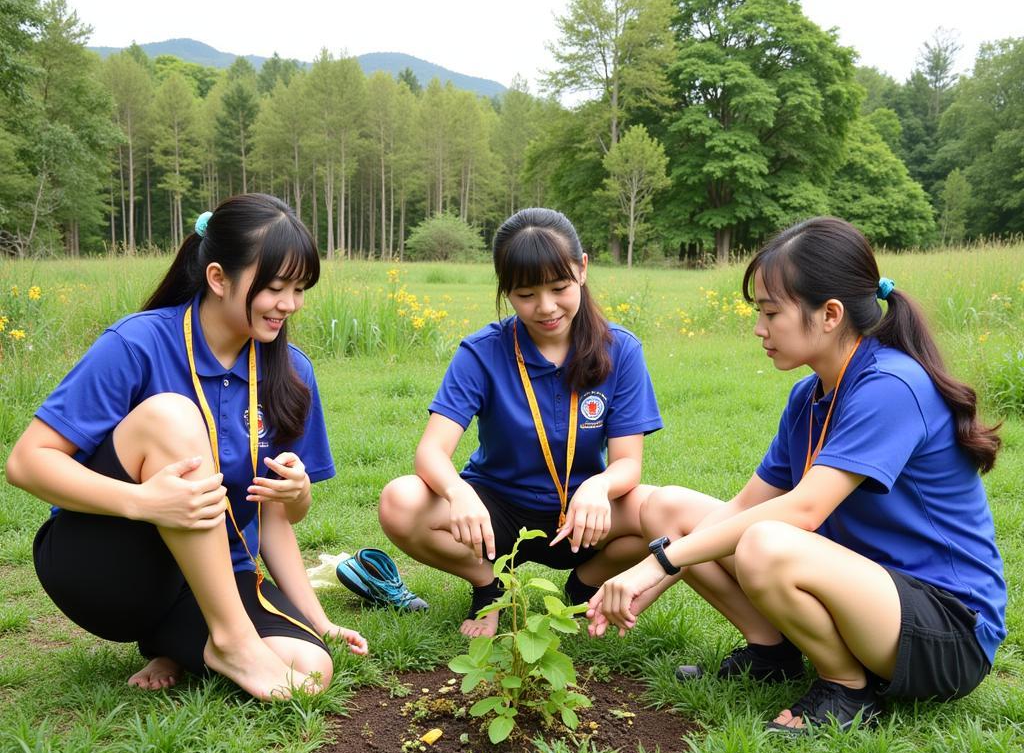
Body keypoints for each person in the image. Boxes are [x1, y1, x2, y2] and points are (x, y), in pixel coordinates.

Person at [588, 216, 1006, 733]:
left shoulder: (891, 386)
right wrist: (665, 563)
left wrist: (661, 562)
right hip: (868, 595)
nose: (760, 329)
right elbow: (741, 507)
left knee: (765, 544)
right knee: (671, 509)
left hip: (948, 631)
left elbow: (803, 509)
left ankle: (849, 689)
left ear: (829, 314)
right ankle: (772, 655)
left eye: (770, 313)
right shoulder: (809, 397)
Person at [5, 194, 367, 701]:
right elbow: (26, 463)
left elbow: (277, 519)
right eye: (276, 287)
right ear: (219, 278)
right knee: (173, 415)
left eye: (300, 289)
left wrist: (318, 618)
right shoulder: (136, 344)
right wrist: (143, 501)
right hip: (108, 563)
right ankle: (233, 640)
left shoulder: (291, 374)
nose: (290, 304)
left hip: (210, 578)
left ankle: (179, 642)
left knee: (309, 673)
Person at [379, 207, 663, 637]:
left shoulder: (620, 350)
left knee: (666, 512)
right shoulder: (481, 351)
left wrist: (599, 486)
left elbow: (628, 463)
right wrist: (457, 492)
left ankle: (584, 586)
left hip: (583, 516)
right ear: (506, 290)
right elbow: (431, 451)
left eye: (559, 287)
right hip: (495, 513)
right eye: (526, 294)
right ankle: (487, 585)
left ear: (582, 269)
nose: (546, 307)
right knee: (399, 501)